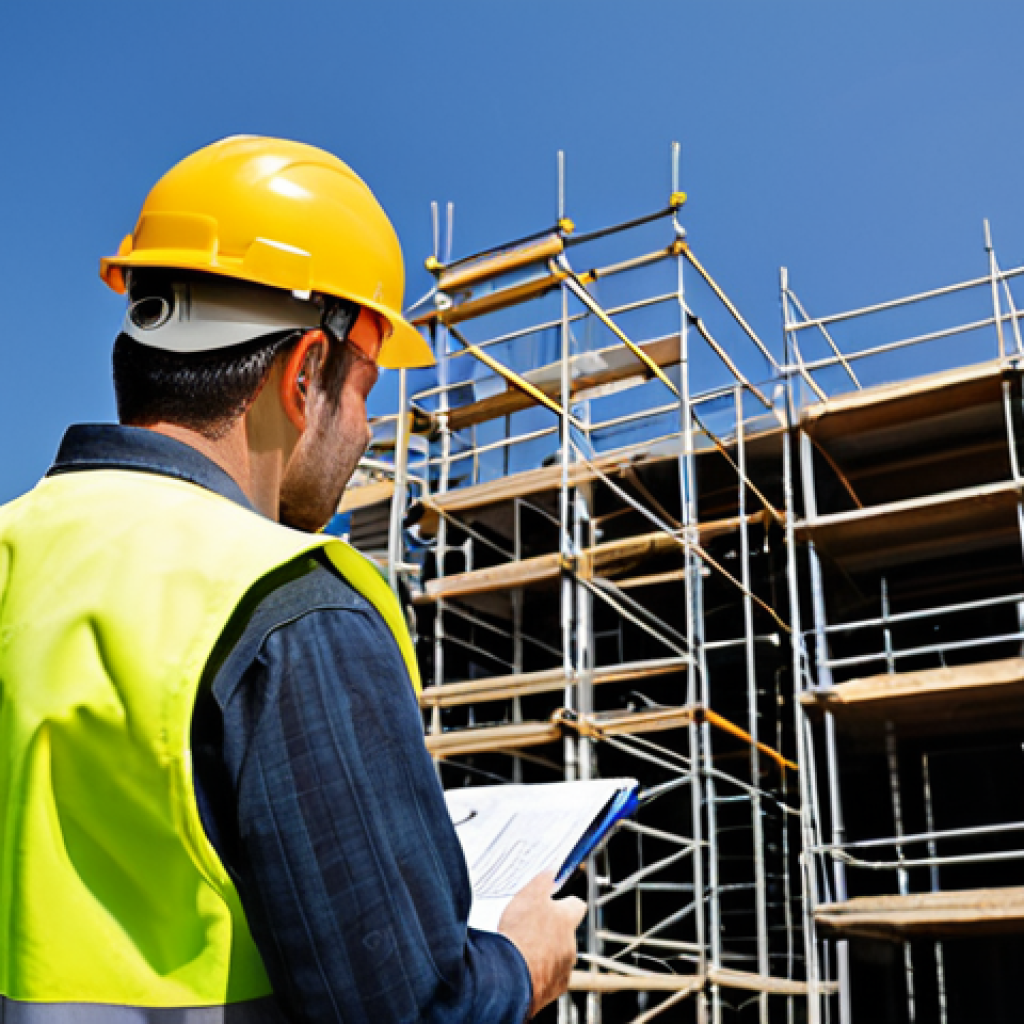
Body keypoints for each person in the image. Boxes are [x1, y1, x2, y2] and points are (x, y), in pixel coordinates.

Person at [0, 136, 585, 1023]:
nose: (363, 430)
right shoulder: (282, 607)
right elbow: (410, 1012)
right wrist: (522, 964)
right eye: (365, 388)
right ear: (307, 370)